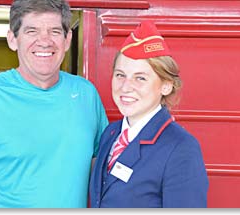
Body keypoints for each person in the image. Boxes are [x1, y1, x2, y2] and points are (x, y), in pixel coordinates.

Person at [0, 0, 108, 208]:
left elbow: (103, 175)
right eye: (32, 31)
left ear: (67, 40)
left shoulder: (87, 95)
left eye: (55, 32)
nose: (44, 41)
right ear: (12, 39)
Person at [89, 20, 209, 208]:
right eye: (120, 75)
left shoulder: (181, 148)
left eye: (140, 78)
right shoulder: (110, 134)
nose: (126, 87)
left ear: (166, 86)